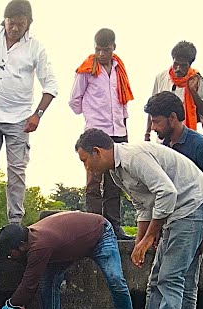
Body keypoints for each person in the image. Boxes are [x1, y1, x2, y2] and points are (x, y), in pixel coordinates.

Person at [75, 129, 203, 309]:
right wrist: (139, 243)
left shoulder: (133, 157)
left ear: (97, 152)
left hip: (195, 207)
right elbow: (144, 206)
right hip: (178, 211)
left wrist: (150, 236)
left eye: (85, 161)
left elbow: (167, 192)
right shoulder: (117, 171)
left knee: (170, 279)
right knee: (154, 281)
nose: (87, 168)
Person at [0, 0, 58, 236]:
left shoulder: (36, 48)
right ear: (4, 20)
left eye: (20, 24)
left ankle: (14, 223)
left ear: (29, 23)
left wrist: (38, 115)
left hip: (19, 119)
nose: (14, 28)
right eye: (11, 23)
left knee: (16, 172)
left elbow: (51, 86)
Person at [0, 211, 137, 309]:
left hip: (99, 234)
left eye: (10, 254)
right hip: (70, 245)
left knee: (115, 280)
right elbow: (29, 278)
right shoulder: (29, 240)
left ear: (22, 245)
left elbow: (29, 285)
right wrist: (18, 306)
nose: (9, 258)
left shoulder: (40, 245)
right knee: (48, 281)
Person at [144, 90, 203, 309]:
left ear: (173, 118)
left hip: (197, 218)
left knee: (185, 283)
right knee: (162, 280)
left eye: (157, 122)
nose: (153, 128)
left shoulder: (200, 146)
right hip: (173, 219)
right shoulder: (163, 148)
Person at [69, 28, 133, 240]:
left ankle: (114, 226)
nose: (101, 54)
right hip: (95, 131)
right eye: (98, 49)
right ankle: (94, 227)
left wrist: (125, 129)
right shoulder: (86, 70)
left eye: (105, 50)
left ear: (114, 48)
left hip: (118, 131)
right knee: (93, 181)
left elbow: (123, 103)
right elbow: (74, 101)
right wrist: (91, 116)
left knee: (115, 183)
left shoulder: (119, 69)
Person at [146, 41, 203, 141]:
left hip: (185, 138)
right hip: (162, 138)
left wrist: (193, 92)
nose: (178, 69)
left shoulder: (196, 80)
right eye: (176, 64)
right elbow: (151, 108)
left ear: (190, 64)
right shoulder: (161, 78)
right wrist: (147, 134)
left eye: (183, 65)